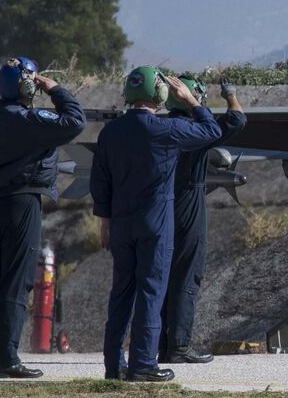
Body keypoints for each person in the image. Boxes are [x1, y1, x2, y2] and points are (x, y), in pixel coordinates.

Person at [92, 67, 222, 382]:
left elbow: (101, 180)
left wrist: (104, 221)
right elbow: (212, 131)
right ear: (160, 95)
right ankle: (142, 365)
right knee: (151, 290)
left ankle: (113, 366)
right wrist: (191, 99)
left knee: (121, 293)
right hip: (155, 222)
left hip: (120, 222)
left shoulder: (110, 132)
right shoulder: (164, 130)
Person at [0, 57, 85, 379]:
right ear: (27, 85)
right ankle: (8, 359)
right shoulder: (28, 121)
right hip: (20, 204)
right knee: (16, 282)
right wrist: (55, 89)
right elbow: (75, 121)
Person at [161, 78, 247, 364]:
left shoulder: (156, 127)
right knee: (187, 276)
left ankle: (158, 345)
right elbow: (236, 119)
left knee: (160, 277)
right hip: (188, 204)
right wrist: (230, 94)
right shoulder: (197, 130)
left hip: (157, 207)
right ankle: (179, 347)